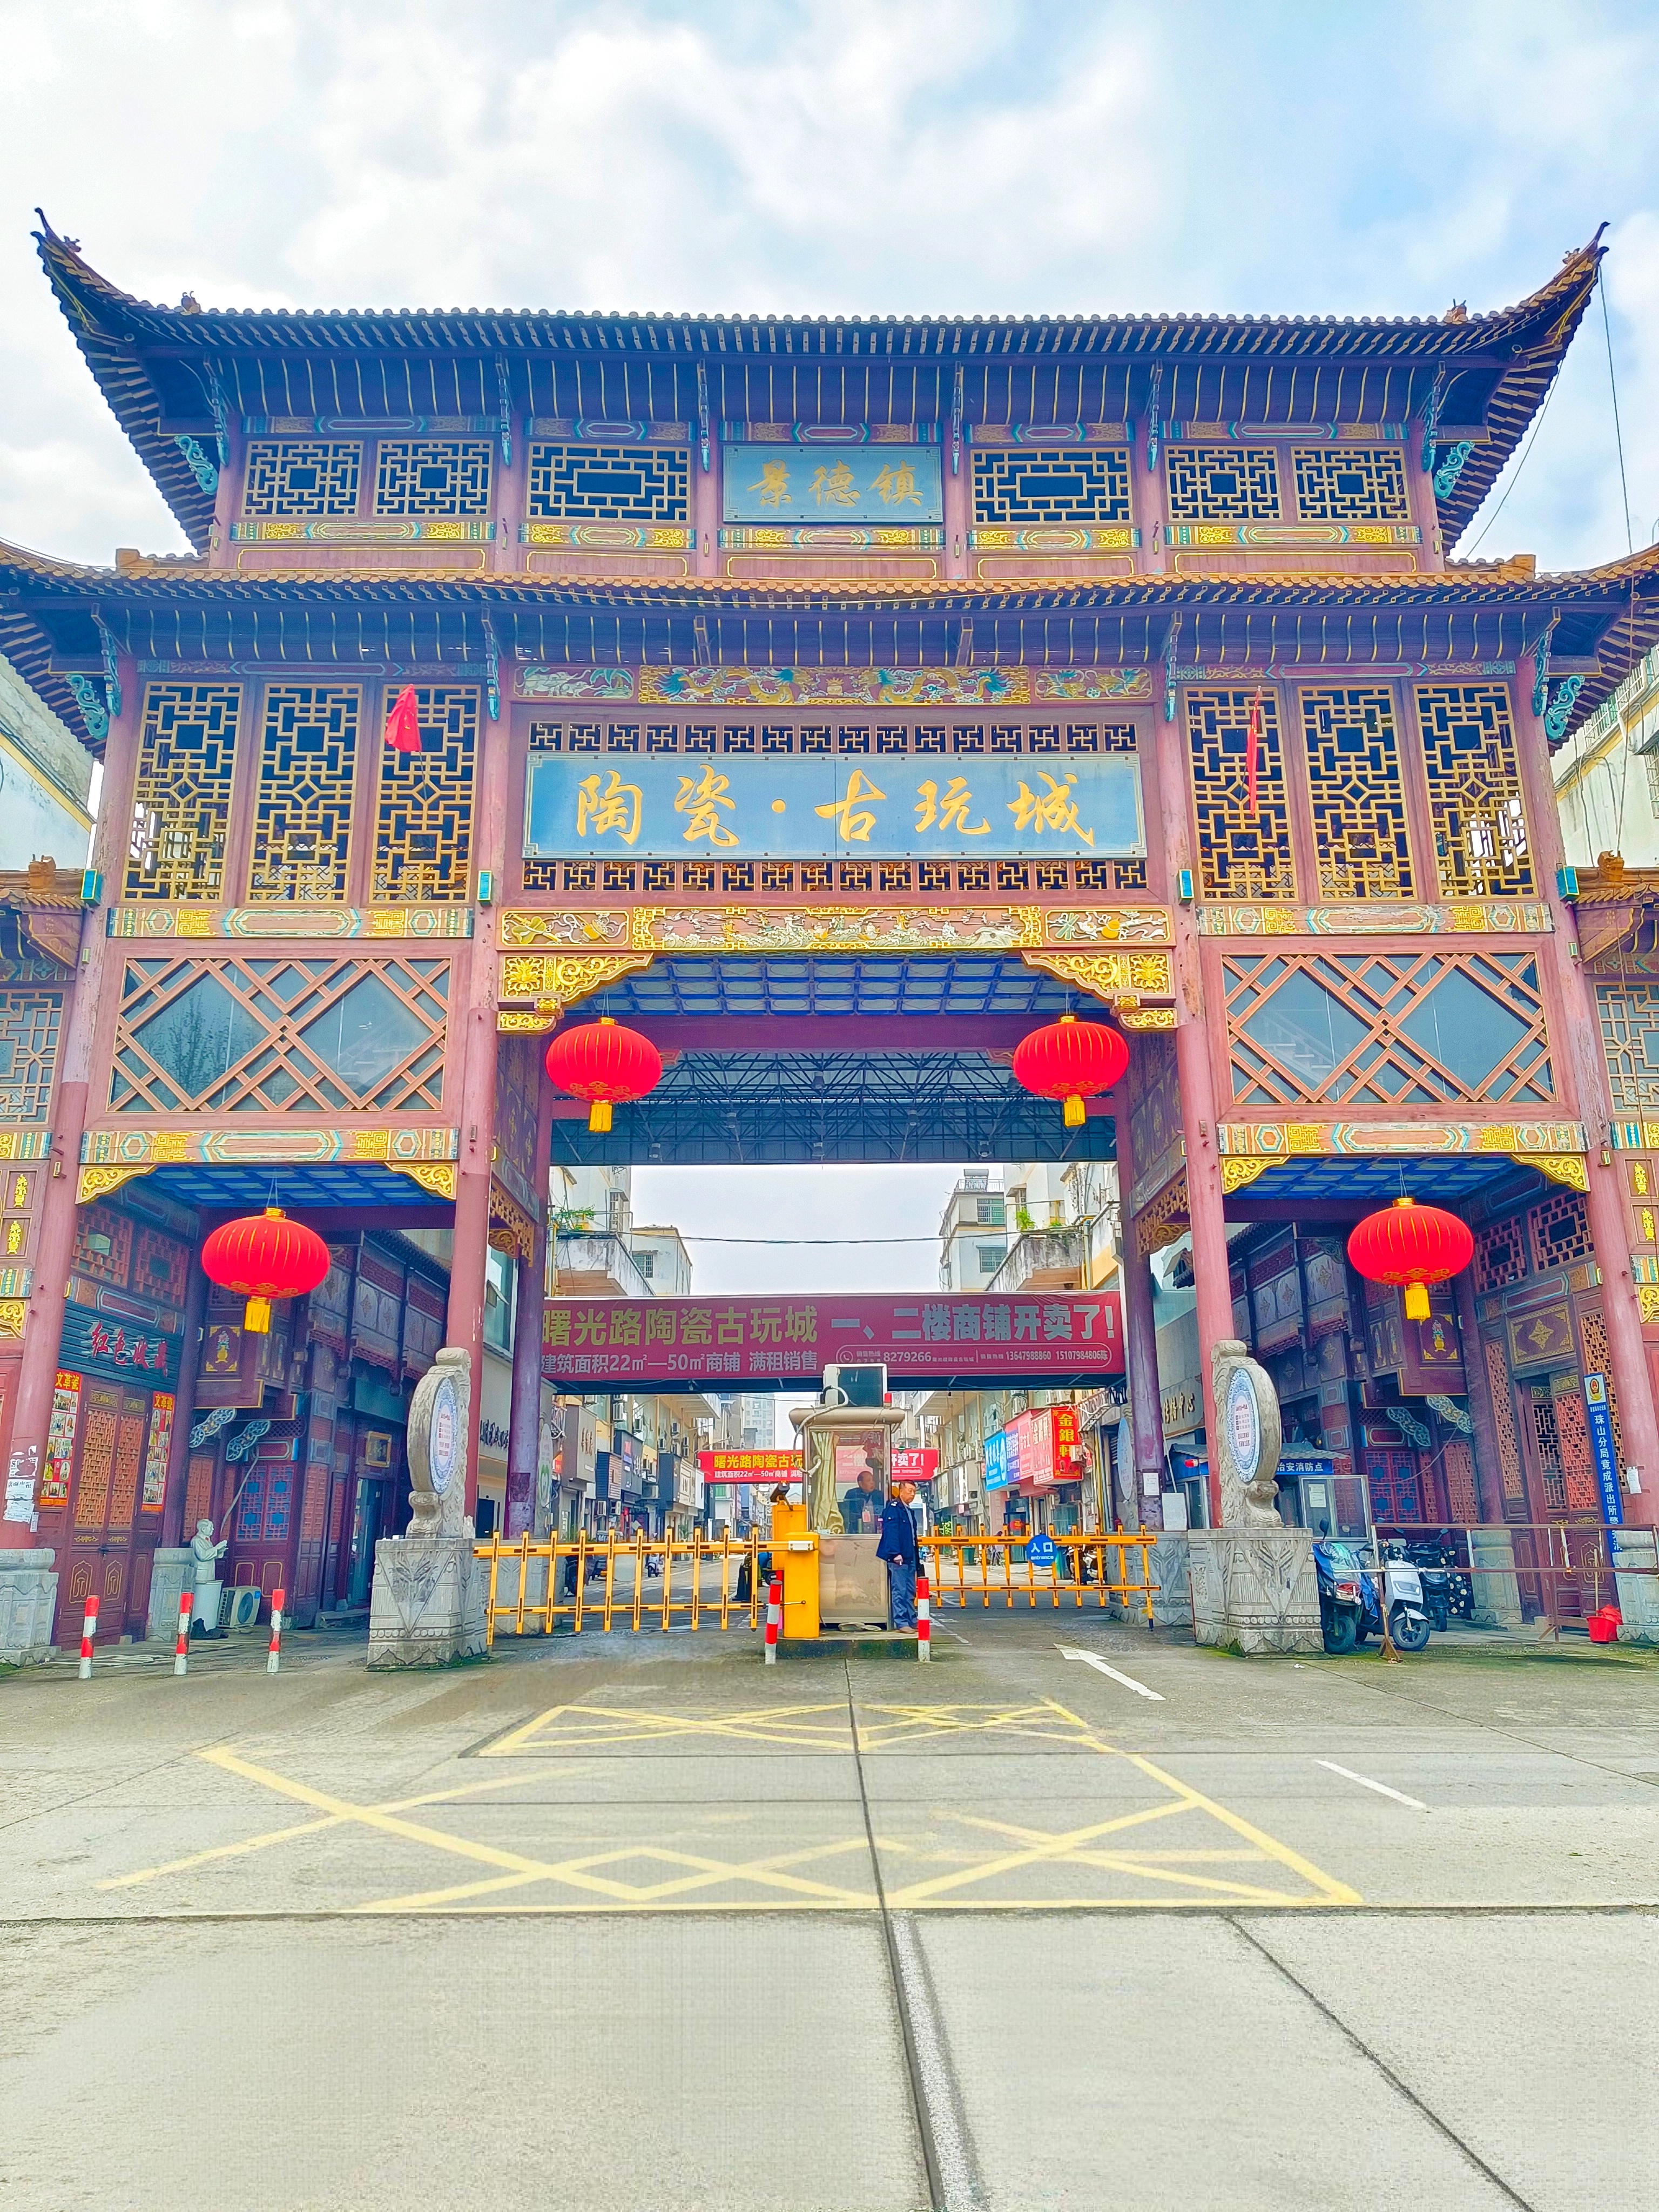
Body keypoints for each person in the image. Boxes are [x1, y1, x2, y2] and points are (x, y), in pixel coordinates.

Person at [878, 1479, 922, 1630]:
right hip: (899, 1557)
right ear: (901, 1491)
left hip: (910, 1555)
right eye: (909, 1491)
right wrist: (895, 1553)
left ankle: (912, 1619)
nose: (912, 1494)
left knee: (910, 1590)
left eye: (914, 1491)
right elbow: (891, 1532)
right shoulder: (894, 1508)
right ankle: (902, 1622)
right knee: (900, 1590)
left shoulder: (908, 1510)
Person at [841, 1464, 882, 1534]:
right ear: (860, 1483)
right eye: (868, 1481)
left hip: (876, 1532)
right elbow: (847, 1515)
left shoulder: (879, 1495)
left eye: (873, 1480)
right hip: (857, 1532)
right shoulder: (853, 1494)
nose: (872, 1483)